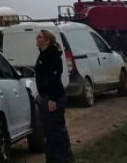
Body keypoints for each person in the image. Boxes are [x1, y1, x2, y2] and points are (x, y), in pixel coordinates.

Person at [35, 29, 72, 163]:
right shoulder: (43, 55)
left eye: (39, 37)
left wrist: (52, 99)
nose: (36, 39)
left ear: (47, 40)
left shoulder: (52, 56)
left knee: (56, 131)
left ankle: (62, 159)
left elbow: (54, 78)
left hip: (53, 98)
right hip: (45, 97)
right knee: (48, 132)